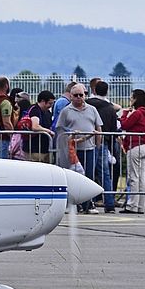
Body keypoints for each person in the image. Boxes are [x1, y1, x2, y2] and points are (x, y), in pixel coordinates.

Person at [55, 83, 102, 213]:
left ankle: (89, 204)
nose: (79, 97)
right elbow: (59, 129)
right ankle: (74, 204)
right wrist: (69, 135)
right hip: (72, 150)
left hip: (90, 148)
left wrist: (98, 144)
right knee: (73, 177)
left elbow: (98, 127)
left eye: (81, 95)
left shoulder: (92, 109)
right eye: (76, 95)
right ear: (71, 96)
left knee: (89, 176)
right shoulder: (66, 111)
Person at [87, 80, 120, 212]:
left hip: (87, 140)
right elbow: (112, 129)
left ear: (94, 90)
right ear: (107, 91)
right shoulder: (109, 108)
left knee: (87, 172)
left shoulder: (87, 104)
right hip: (103, 142)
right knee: (105, 174)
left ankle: (88, 202)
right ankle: (110, 203)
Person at [119, 89, 145, 214]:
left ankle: (132, 205)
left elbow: (125, 125)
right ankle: (140, 205)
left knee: (134, 176)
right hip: (144, 146)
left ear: (136, 99)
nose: (130, 100)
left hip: (135, 146)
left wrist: (124, 114)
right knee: (142, 176)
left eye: (131, 98)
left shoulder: (137, 113)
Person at [23, 91, 56, 164]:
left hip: (45, 149)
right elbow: (35, 126)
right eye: (50, 103)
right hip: (34, 150)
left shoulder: (47, 113)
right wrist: (49, 131)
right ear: (43, 101)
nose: (51, 106)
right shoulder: (35, 110)